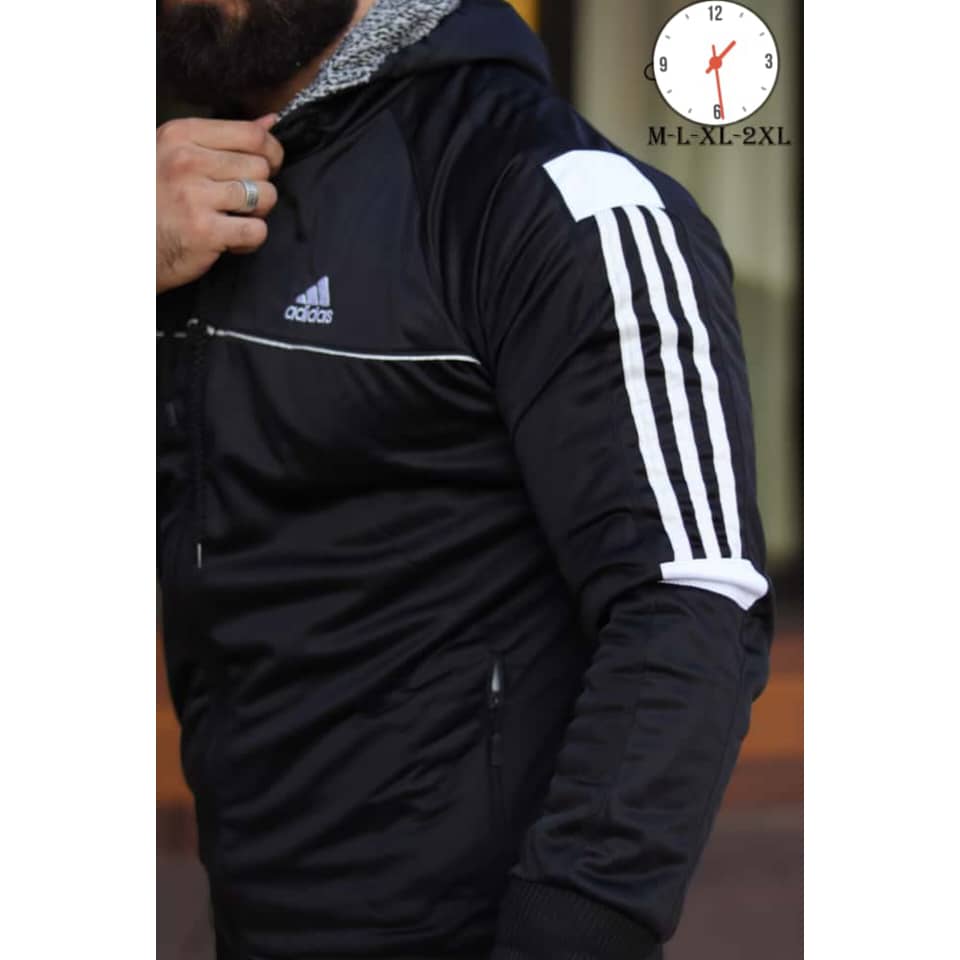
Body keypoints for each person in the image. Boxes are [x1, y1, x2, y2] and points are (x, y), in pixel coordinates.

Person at [156, 1, 775, 958]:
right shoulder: (168, 195)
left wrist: (573, 930)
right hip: (252, 909)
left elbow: (693, 599)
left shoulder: (556, 195)